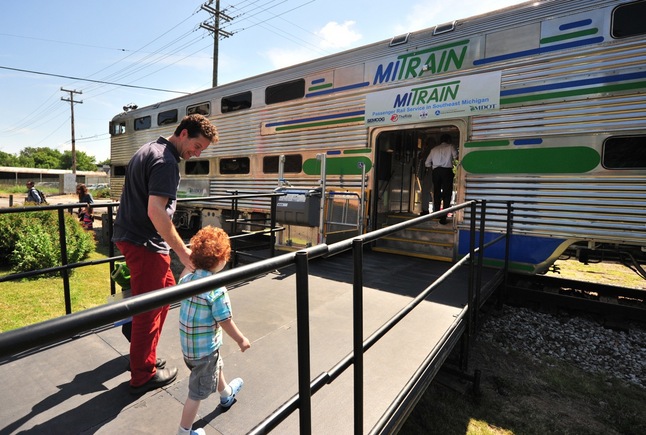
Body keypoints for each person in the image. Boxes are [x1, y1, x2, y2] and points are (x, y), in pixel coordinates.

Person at [112, 114, 219, 395]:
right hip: (144, 241)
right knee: (150, 307)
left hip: (133, 236)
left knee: (167, 292)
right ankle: (143, 373)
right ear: (183, 133)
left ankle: (142, 353)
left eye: (201, 150)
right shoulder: (167, 162)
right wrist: (183, 251)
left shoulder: (150, 149)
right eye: (196, 146)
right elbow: (156, 211)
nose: (196, 153)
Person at [177, 226, 250, 435]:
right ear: (220, 261)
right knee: (196, 393)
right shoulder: (216, 289)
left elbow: (184, 274)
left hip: (189, 349)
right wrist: (241, 340)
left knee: (216, 367)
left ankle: (226, 394)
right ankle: (184, 431)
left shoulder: (187, 280)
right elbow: (225, 320)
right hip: (204, 351)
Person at [425, 133, 458, 224]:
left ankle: (436, 213)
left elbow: (427, 163)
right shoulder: (451, 146)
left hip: (436, 172)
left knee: (436, 192)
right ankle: (443, 217)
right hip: (446, 171)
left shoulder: (433, 149)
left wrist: (434, 167)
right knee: (447, 193)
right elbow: (456, 157)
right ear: (448, 140)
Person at [418, 137, 435, 215]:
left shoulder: (428, 150)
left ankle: (425, 210)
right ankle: (435, 210)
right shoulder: (435, 150)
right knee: (435, 192)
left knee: (426, 191)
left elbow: (422, 158)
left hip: (428, 172)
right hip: (435, 172)